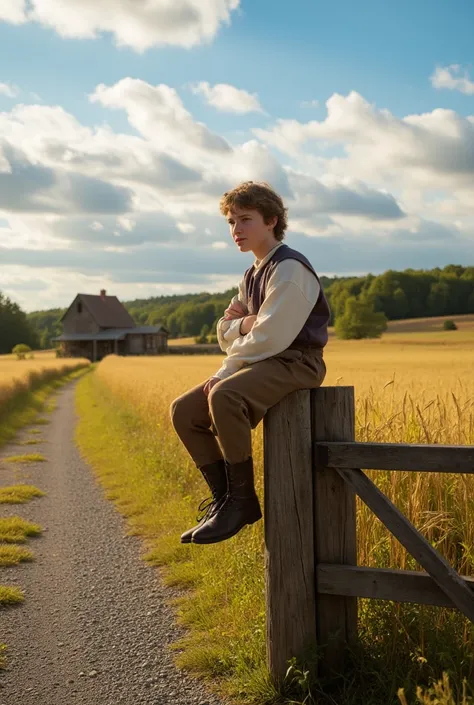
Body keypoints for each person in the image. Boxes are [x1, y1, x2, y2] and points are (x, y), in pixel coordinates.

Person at [170, 181, 330, 545]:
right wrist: (242, 323)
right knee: (183, 411)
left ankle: (242, 502)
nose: (236, 230)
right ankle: (226, 500)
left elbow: (271, 336)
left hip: (297, 362)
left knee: (224, 395)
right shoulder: (252, 274)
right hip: (263, 361)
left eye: (245, 220)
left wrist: (227, 366)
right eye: (231, 222)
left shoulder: (289, 269)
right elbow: (223, 331)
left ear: (272, 220)